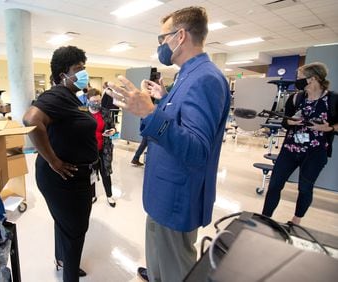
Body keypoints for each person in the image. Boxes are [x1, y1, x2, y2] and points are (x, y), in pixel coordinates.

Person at [107, 6, 230, 281]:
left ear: (180, 36)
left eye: (162, 39)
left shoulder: (206, 78)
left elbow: (198, 150)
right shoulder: (186, 75)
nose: (161, 45)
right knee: (158, 256)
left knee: (176, 267)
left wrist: (150, 113)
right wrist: (161, 101)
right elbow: (180, 119)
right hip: (163, 190)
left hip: (178, 195)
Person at [22, 46, 98, 282]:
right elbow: (31, 120)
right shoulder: (56, 95)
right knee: (75, 231)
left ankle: (62, 260)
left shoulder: (71, 98)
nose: (83, 74)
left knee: (64, 224)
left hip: (70, 176)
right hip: (65, 178)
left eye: (84, 68)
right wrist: (54, 161)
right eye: (78, 69)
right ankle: (70, 275)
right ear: (62, 75)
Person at [262, 62, 337, 225]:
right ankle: (265, 217)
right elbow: (285, 122)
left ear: (313, 79)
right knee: (275, 184)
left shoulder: (332, 100)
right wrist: (291, 122)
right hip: (290, 149)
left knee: (304, 188)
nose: (297, 80)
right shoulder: (296, 98)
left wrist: (329, 128)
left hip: (315, 152)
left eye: (300, 77)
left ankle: (296, 221)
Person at [86, 88, 117, 207]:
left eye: (99, 101)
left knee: (105, 173)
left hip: (104, 149)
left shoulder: (105, 112)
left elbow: (113, 127)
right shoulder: (83, 114)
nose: (97, 103)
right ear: (88, 100)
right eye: (94, 101)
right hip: (89, 150)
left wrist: (112, 131)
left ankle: (109, 196)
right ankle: (92, 195)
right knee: (91, 173)